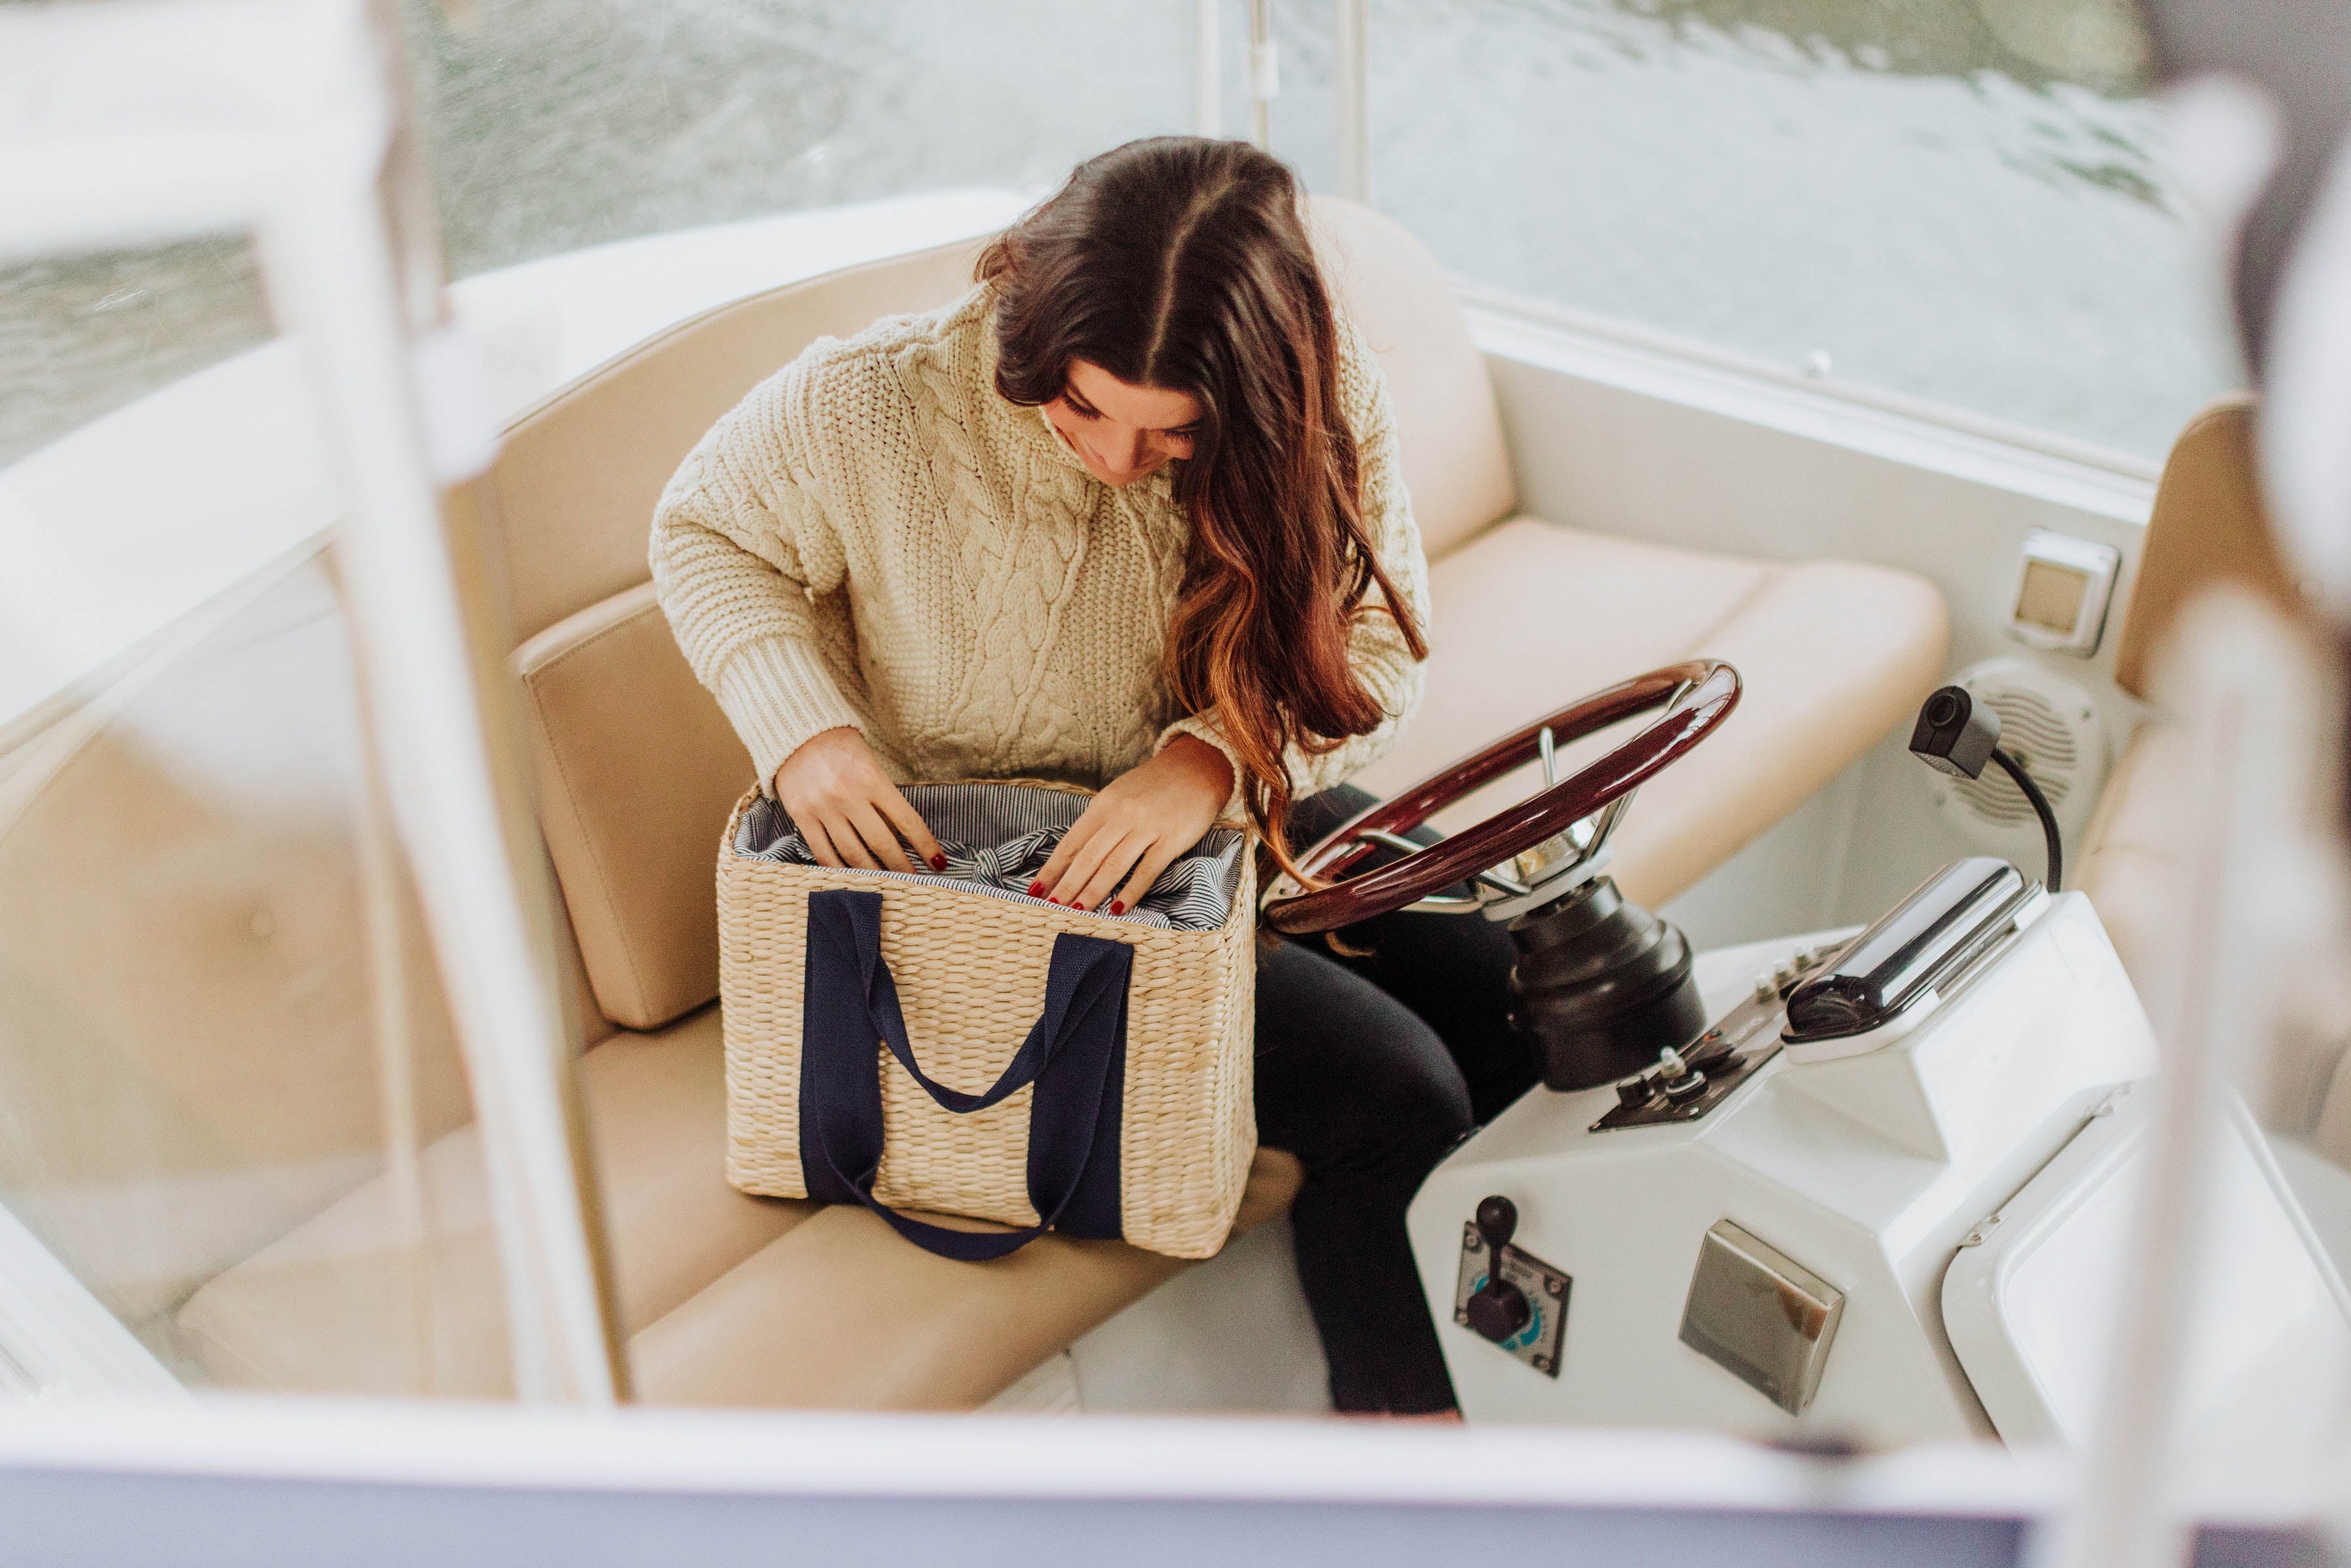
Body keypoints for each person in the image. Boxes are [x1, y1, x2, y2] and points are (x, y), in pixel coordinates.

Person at [650, 135, 1535, 1415]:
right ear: (1029, 328)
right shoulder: (868, 403)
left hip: (1207, 818)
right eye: (1082, 410)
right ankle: (1408, 1458)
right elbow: (703, 530)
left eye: (1171, 438)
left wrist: (1206, 765)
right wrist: (804, 729)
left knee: (1521, 981)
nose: (1117, 461)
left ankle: (1523, 1352)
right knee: (1398, 1094)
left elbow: (1377, 645)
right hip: (978, 901)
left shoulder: (1322, 407)